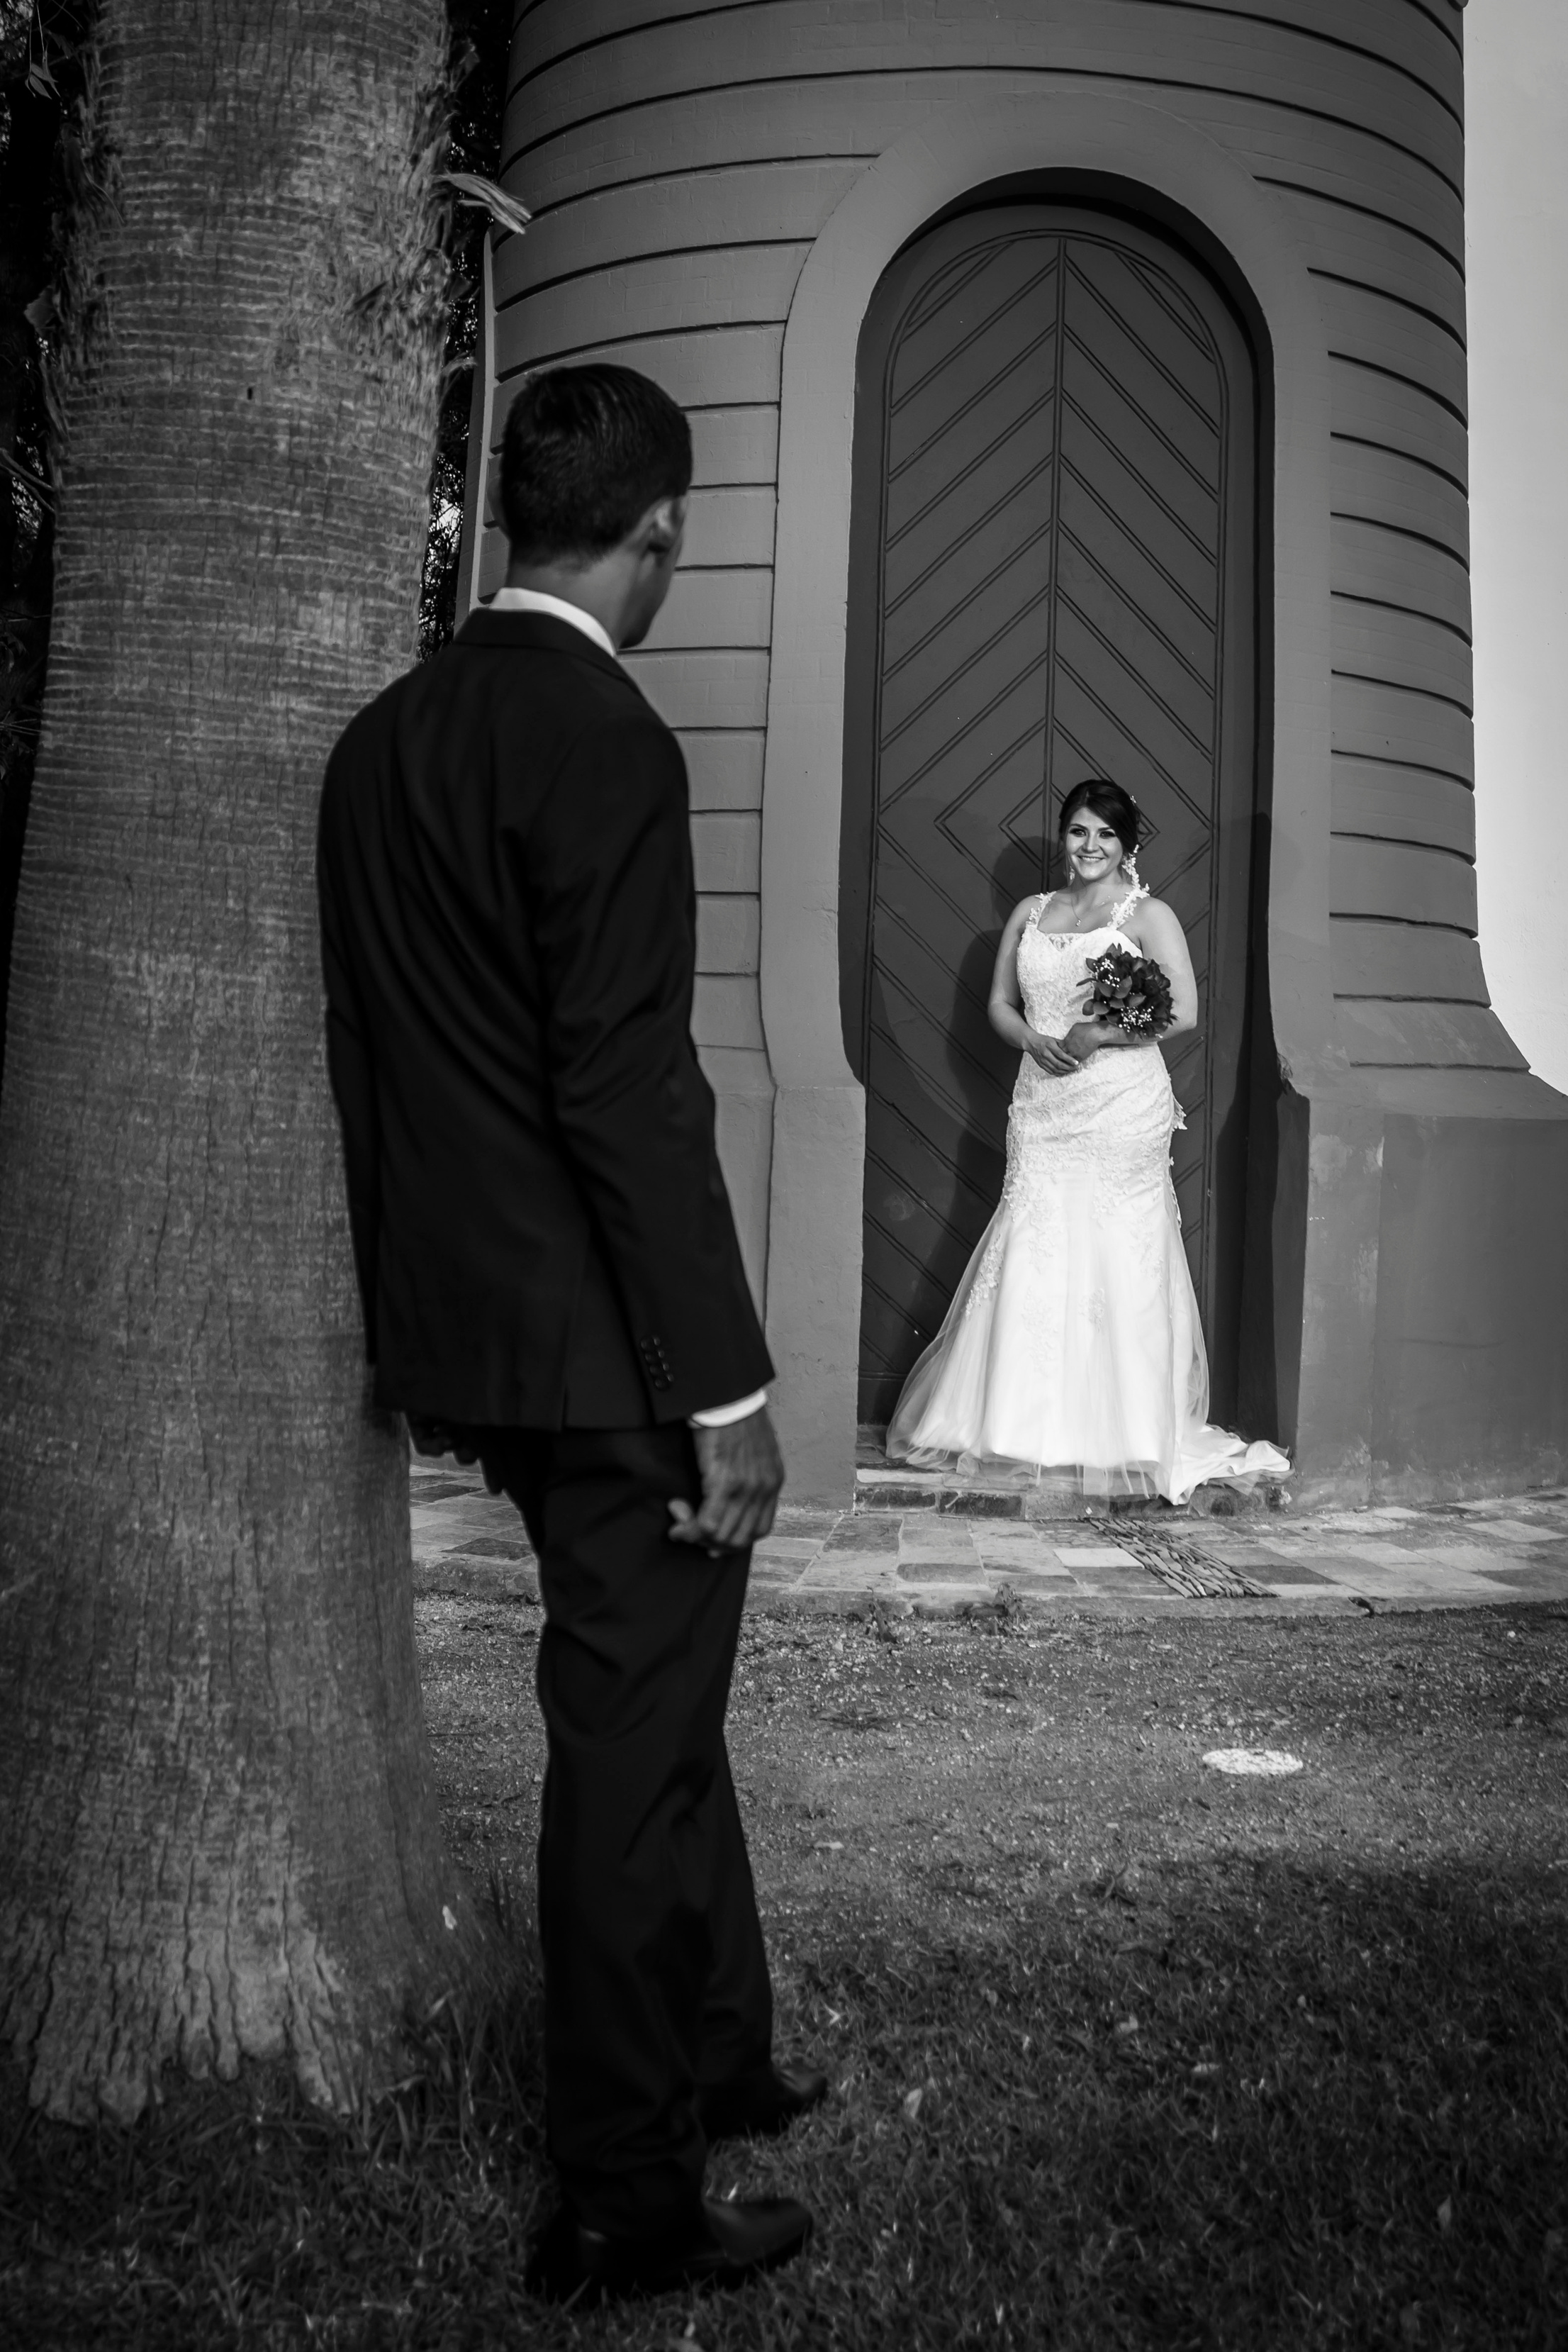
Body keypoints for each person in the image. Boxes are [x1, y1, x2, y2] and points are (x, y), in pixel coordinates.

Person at [316, 364, 822, 2304]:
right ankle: (620, 2195)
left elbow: (395, 1057)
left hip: (473, 1334)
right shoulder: (602, 732)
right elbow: (621, 1082)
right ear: (659, 531)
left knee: (657, 1694)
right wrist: (729, 1385)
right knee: (626, 1741)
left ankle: (726, 2048)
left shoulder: (384, 740)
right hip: (617, 1354)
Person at [886, 779, 1289, 1504]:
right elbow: (998, 1004)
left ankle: (1128, 1431)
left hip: (1119, 1103)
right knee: (1035, 1237)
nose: (1090, 845)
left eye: (1105, 833)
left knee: (1115, 1244)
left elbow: (1185, 1009)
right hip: (1041, 1097)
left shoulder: (1147, 913)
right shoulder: (1031, 912)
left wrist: (1096, 1029)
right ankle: (1017, 1422)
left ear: (1127, 843)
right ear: (1065, 837)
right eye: (1077, 831)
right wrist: (1034, 1040)